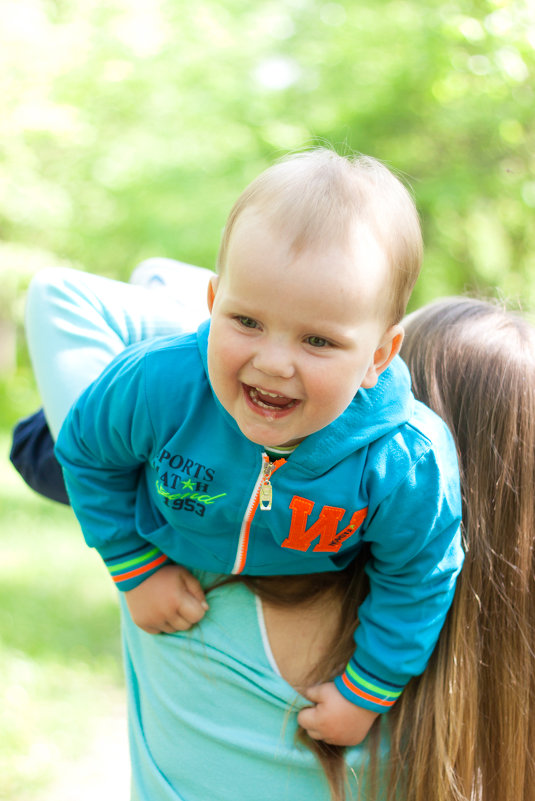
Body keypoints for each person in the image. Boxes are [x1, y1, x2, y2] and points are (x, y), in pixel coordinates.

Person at [12, 292, 535, 800]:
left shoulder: (197, 574)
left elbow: (60, 297)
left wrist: (248, 312)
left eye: (324, 344)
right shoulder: (502, 722)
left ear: (380, 361)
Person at [20, 148, 463, 748]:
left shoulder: (404, 461)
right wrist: (134, 565)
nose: (274, 362)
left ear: (379, 357)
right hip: (172, 443)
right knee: (34, 453)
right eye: (246, 321)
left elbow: (419, 572)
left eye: (318, 340)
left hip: (257, 504)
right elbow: (88, 453)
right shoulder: (158, 383)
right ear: (216, 306)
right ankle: (163, 296)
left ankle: (163, 283)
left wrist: (370, 686)